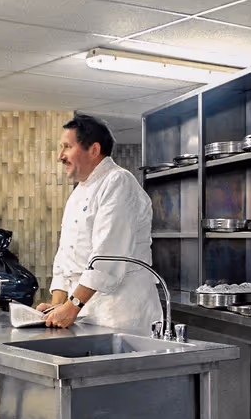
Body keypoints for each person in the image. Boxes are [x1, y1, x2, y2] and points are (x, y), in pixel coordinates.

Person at [38, 114, 162, 331]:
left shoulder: (118, 182)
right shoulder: (79, 191)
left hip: (121, 313)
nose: (60, 156)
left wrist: (72, 305)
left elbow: (108, 255)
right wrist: (58, 305)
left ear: (93, 150)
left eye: (67, 146)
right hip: (87, 310)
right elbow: (65, 257)